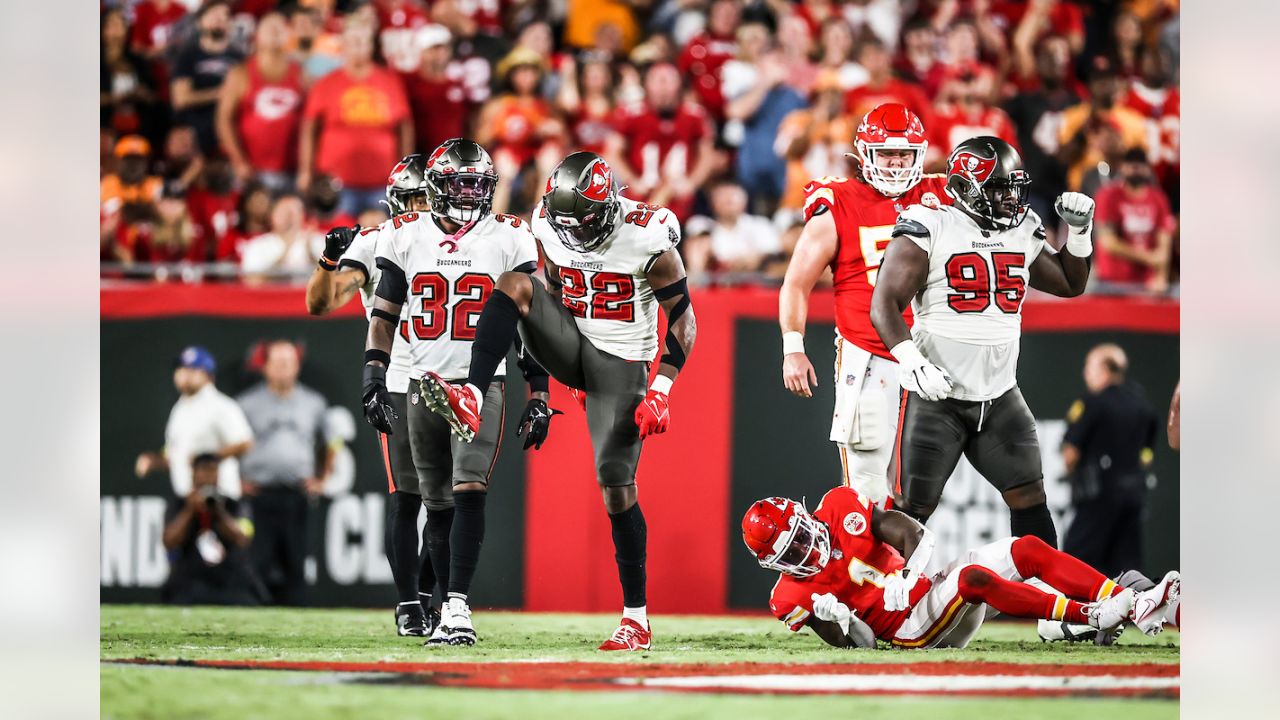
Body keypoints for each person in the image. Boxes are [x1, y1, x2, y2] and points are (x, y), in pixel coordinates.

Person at [416, 152, 697, 651]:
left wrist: (661, 389)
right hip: (571, 341)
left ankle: (636, 618)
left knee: (615, 484)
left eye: (585, 222)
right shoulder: (546, 223)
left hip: (621, 360)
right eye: (567, 222)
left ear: (610, 205)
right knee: (514, 285)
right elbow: (548, 296)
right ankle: (472, 395)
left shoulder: (649, 234)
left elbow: (684, 322)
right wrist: (544, 384)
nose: (576, 233)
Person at [359, 140, 555, 646]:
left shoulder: (510, 235)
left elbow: (527, 324)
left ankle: (457, 608)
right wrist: (374, 377)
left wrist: (538, 390)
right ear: (434, 187)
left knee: (470, 489)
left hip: (479, 383)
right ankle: (437, 604)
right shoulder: (403, 234)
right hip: (421, 383)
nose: (469, 194)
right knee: (435, 503)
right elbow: (384, 312)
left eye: (477, 184)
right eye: (459, 183)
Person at [868, 136, 1094, 548]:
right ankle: (883, 602)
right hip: (937, 398)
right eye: (997, 188)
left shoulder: (1022, 228)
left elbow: (1068, 282)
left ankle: (1047, 602)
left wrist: (1078, 234)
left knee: (1031, 500)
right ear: (966, 187)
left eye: (1013, 187)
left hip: (1000, 395)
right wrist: (910, 360)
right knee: (910, 510)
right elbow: (884, 303)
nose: (1010, 198)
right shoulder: (930, 224)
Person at [741, 487, 1180, 649]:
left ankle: (1128, 601)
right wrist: (842, 619)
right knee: (972, 580)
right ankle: (1091, 615)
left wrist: (910, 574)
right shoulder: (790, 598)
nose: (805, 547)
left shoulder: (838, 506)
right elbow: (864, 648)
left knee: (1026, 548)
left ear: (803, 514)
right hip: (907, 630)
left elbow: (914, 534)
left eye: (800, 534)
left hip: (923, 588)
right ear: (774, 565)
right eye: (791, 550)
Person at [779, 103, 950, 505]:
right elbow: (796, 282)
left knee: (923, 489)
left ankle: (913, 566)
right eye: (887, 153)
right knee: (868, 487)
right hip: (871, 355)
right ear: (864, 154)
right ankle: (875, 566)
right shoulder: (838, 201)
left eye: (904, 154)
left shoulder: (942, 194)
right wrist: (792, 348)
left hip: (939, 353)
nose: (895, 163)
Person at [236, 340, 332, 606]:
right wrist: (235, 482)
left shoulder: (313, 402)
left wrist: (322, 478)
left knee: (296, 560)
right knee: (257, 560)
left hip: (296, 494)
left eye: (288, 362)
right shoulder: (246, 403)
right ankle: (252, 614)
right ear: (264, 367)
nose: (282, 368)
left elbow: (331, 442)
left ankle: (296, 617)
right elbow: (228, 445)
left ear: (297, 366)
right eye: (277, 362)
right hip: (257, 495)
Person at [1061, 344, 1158, 578]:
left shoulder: (1093, 403)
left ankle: (1075, 612)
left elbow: (1070, 450)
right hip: (1133, 495)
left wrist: (1073, 474)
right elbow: (1146, 455)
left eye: (1089, 366)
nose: (1085, 373)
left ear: (1105, 369)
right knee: (1128, 564)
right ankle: (1137, 611)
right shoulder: (1143, 406)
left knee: (1075, 557)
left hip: (1099, 495)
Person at [298, 20, 413, 216]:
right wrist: (305, 171)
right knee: (338, 239)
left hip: (382, 182)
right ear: (344, 46)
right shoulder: (326, 83)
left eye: (363, 42)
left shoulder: (390, 81)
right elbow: (309, 128)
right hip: (336, 183)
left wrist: (406, 170)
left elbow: (405, 126)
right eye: (353, 42)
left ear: (370, 46)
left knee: (382, 241)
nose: (358, 47)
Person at [136, 346, 254, 500]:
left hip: (219, 498)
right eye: (180, 369)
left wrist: (206, 460)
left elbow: (245, 443)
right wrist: (154, 461)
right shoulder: (180, 408)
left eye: (192, 370)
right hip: (186, 499)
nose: (183, 374)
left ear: (208, 375)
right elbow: (179, 456)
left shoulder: (221, 405)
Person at [605, 61, 718, 221]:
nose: (663, 88)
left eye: (669, 80)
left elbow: (707, 155)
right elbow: (613, 153)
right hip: (640, 199)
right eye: (658, 81)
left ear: (679, 84)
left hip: (681, 202)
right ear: (646, 85)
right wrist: (632, 180)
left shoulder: (695, 115)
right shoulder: (630, 113)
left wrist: (692, 183)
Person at [215, 11, 305, 192]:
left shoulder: (301, 74)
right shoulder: (241, 73)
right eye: (269, 28)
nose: (275, 33)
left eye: (279, 29)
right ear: (257, 36)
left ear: (288, 35)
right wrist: (238, 161)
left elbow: (311, 122)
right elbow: (223, 119)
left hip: (292, 170)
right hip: (253, 169)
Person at [161, 453, 261, 606]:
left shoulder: (234, 504)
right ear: (193, 473)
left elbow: (242, 539)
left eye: (213, 471)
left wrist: (219, 512)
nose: (208, 476)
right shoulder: (180, 504)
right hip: (190, 584)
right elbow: (169, 542)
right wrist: (190, 511)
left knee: (248, 601)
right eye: (204, 471)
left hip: (228, 583)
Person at [1092, 149, 1176, 294]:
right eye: (1131, 165)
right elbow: (1108, 242)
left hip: (1146, 283)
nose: (1135, 170)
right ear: (1122, 167)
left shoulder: (1158, 199)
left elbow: (1164, 243)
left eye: (1140, 166)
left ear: (1148, 169)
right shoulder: (1108, 196)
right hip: (1112, 282)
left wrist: (1160, 276)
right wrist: (1150, 258)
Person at [170, 1, 243, 155]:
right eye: (214, 14)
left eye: (225, 15)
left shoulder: (239, 58)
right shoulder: (188, 54)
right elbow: (181, 99)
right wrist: (219, 93)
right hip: (194, 133)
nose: (220, 18)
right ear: (200, 22)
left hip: (229, 131)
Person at [240, 194, 324, 282]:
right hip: (273, 295)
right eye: (284, 212)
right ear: (272, 215)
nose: (289, 218)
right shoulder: (258, 245)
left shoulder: (317, 241)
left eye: (293, 213)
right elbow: (251, 281)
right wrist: (283, 255)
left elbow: (334, 279)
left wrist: (311, 254)